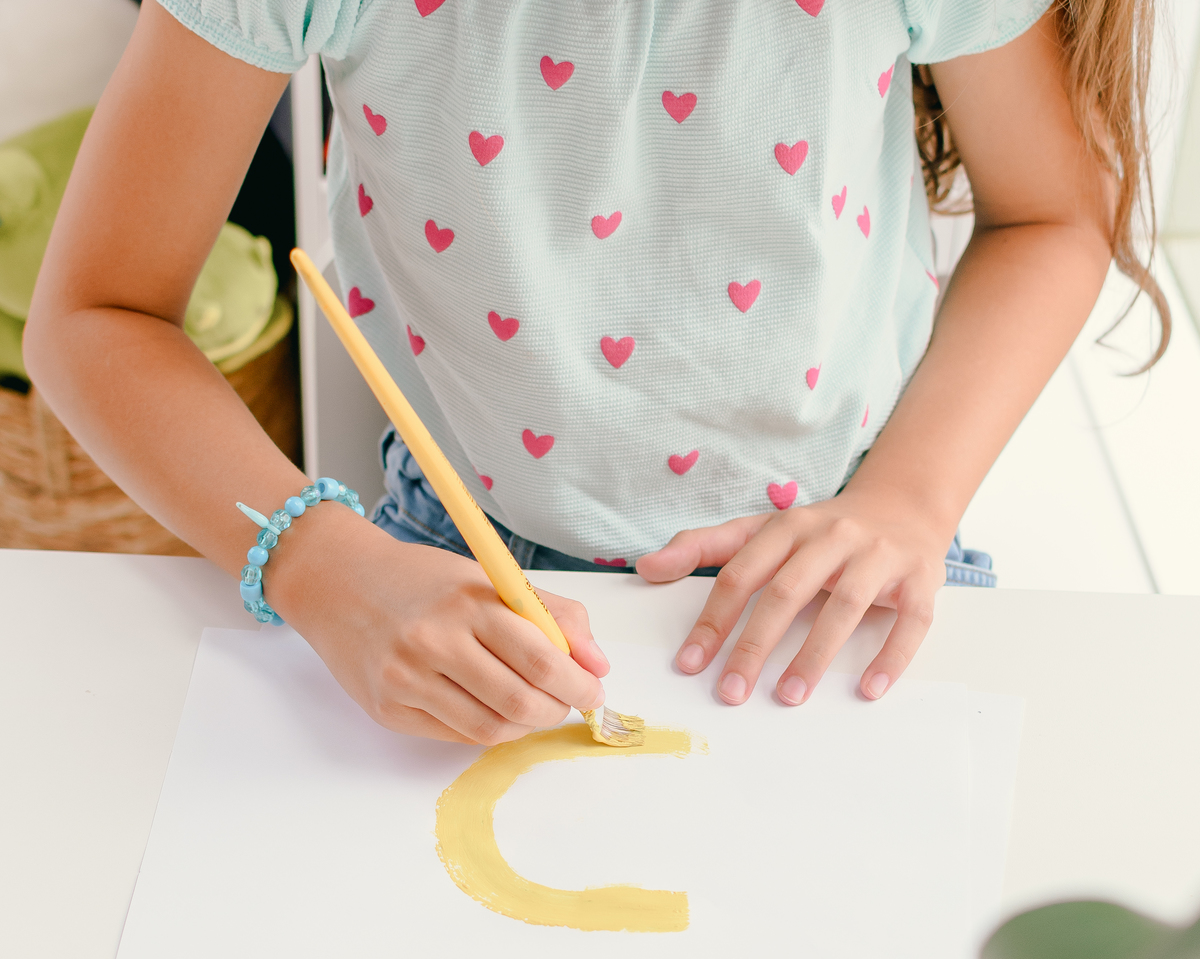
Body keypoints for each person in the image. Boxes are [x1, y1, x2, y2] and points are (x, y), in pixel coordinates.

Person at [25, 0, 1165, 745]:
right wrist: (321, 565)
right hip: (456, 557)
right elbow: (96, 315)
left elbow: (1052, 218)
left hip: (852, 545)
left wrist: (910, 499)